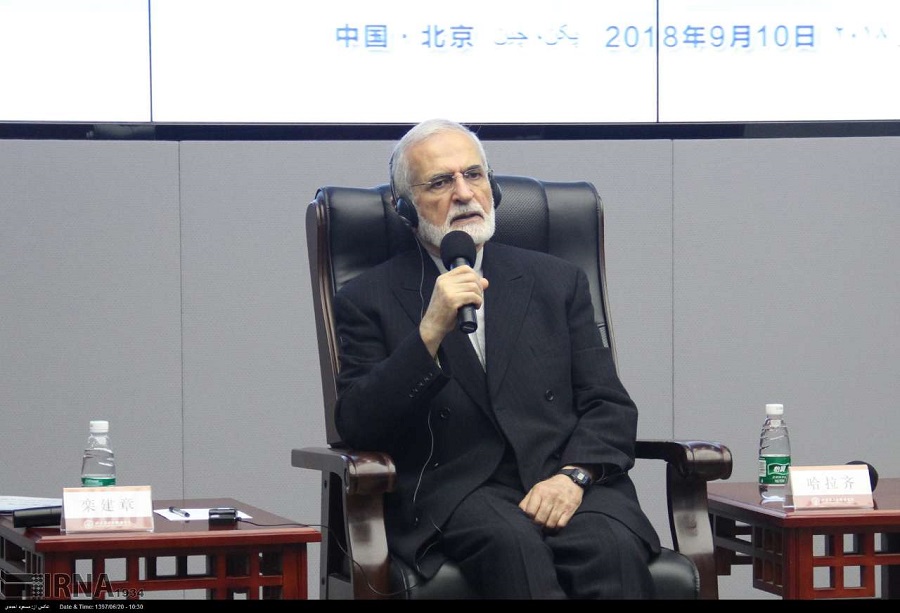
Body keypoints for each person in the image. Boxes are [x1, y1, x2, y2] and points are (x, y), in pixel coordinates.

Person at [332, 118, 661, 599]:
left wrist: (574, 477)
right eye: (440, 182)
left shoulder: (557, 281)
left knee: (610, 548)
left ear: (494, 189)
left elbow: (608, 404)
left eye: (474, 175)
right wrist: (429, 332)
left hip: (563, 475)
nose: (464, 193)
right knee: (513, 548)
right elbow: (358, 424)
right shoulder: (368, 298)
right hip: (457, 489)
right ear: (404, 207)